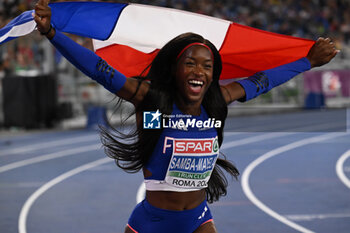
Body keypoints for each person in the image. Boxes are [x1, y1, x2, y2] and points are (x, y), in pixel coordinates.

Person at [34, 0, 338, 232]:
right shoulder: (152, 103)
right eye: (190, 63)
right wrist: (52, 33)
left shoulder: (216, 101)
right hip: (151, 221)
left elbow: (263, 80)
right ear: (175, 69)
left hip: (198, 219)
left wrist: (307, 61)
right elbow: (99, 70)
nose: (199, 72)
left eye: (207, 66)